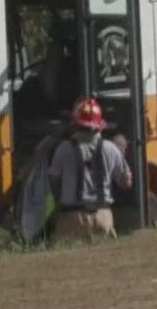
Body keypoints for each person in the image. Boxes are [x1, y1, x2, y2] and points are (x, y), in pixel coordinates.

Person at [47, 97, 132, 244]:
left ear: (75, 124)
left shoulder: (64, 149)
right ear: (99, 125)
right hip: (103, 216)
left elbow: (53, 180)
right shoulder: (111, 148)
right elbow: (126, 182)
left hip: (72, 218)